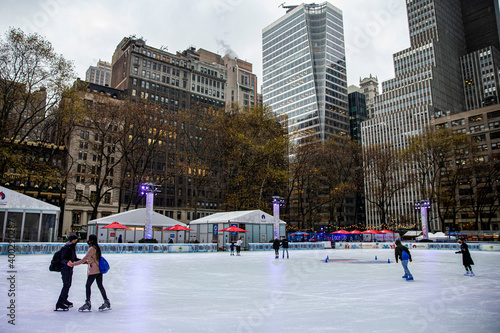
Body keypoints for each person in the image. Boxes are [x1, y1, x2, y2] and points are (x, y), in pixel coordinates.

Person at [69, 234, 110, 311]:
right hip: (99, 270)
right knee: (100, 286)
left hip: (94, 270)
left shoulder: (92, 248)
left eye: (89, 239)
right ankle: (106, 301)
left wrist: (73, 264)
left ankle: (88, 303)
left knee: (88, 286)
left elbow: (84, 259)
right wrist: (89, 261)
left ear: (91, 240)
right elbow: (94, 258)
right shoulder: (97, 248)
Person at [55, 234, 80, 311]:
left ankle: (64, 299)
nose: (77, 241)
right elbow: (63, 259)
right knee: (66, 285)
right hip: (65, 269)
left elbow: (74, 258)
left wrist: (83, 261)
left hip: (69, 269)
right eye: (76, 240)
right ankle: (59, 303)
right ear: (73, 240)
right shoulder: (67, 248)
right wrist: (67, 262)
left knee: (68, 284)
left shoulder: (72, 248)